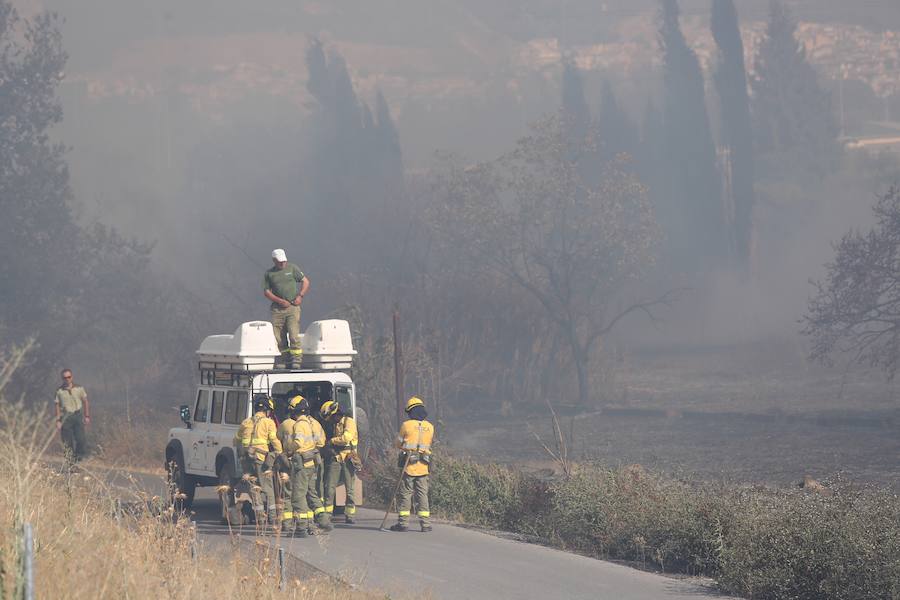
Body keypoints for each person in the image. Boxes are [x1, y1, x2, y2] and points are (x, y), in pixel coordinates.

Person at [284, 395, 331, 536]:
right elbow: (321, 442)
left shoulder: (298, 424)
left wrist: (289, 449)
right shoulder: (313, 423)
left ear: (294, 411)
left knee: (298, 496)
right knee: (312, 493)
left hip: (302, 465)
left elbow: (298, 442)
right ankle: (324, 521)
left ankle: (301, 527)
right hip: (312, 463)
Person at [390, 396, 435, 532]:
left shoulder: (406, 425)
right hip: (424, 465)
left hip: (408, 465)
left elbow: (398, 443)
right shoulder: (430, 426)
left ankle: (403, 523)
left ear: (411, 412)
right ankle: (425, 524)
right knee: (422, 494)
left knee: (406, 493)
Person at [239, 394, 283, 526]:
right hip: (261, 459)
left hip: (247, 460)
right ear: (267, 410)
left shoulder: (246, 422)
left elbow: (236, 440)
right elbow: (274, 441)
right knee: (268, 488)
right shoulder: (268, 422)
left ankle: (260, 517)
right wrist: (280, 454)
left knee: (254, 488)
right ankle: (272, 517)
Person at [263, 249, 309, 369]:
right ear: (274, 260)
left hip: (293, 307)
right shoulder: (269, 274)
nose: (282, 263)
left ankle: (297, 359)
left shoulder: (292, 268)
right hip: (277, 310)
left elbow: (305, 281)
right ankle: (285, 358)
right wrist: (279, 301)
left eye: (284, 261)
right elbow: (266, 291)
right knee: (279, 336)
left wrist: (300, 296)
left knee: (293, 334)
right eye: (280, 262)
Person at [320, 400, 359, 524]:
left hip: (349, 458)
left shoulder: (349, 422)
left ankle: (350, 515)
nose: (330, 420)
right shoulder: (336, 424)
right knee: (329, 486)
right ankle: (327, 514)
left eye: (331, 417)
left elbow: (346, 438)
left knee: (350, 488)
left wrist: (332, 441)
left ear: (335, 413)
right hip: (336, 457)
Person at [54, 369, 90, 462]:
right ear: (62, 378)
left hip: (77, 416)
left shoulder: (79, 388)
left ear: (72, 377)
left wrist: (87, 416)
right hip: (66, 418)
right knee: (67, 443)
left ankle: (78, 458)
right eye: (65, 377)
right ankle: (71, 464)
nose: (67, 379)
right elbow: (57, 405)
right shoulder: (59, 391)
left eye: (69, 377)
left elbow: (85, 401)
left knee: (81, 439)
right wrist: (58, 420)